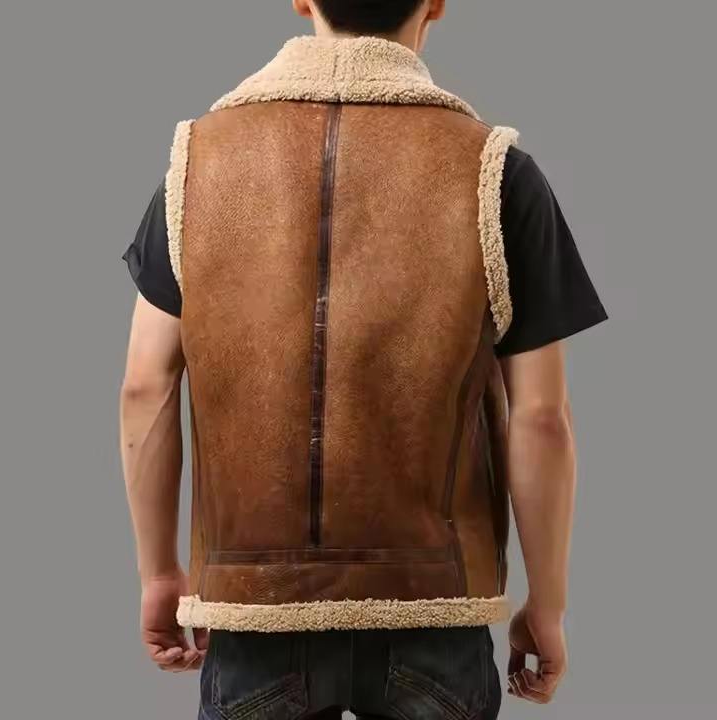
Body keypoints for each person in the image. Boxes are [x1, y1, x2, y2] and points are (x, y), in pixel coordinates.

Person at [119, 1, 608, 717]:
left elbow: (145, 387)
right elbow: (541, 419)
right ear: (435, 3)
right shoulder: (494, 172)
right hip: (435, 613)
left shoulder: (196, 164)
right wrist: (549, 604)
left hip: (256, 617)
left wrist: (158, 572)